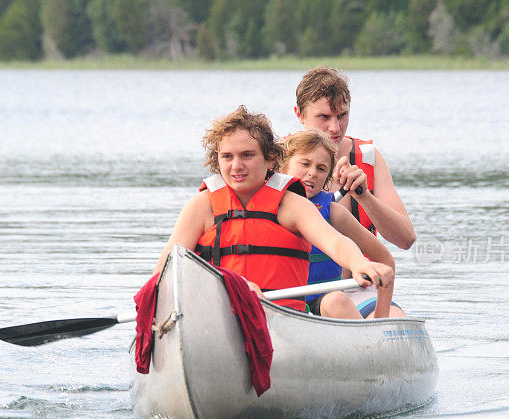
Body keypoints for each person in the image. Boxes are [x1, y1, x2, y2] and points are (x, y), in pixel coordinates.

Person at [153, 105, 393, 313]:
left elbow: (334, 242)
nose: (236, 166)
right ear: (217, 160)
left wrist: (359, 263)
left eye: (247, 155)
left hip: (281, 315)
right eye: (227, 157)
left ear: (270, 159)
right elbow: (167, 268)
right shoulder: (202, 205)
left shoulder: (292, 204)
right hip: (220, 313)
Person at [280, 129, 406, 319]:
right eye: (305, 164)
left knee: (336, 300)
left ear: (328, 178)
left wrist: (381, 314)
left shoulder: (335, 213)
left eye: (321, 169)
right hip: (276, 299)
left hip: (322, 301)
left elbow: (385, 260)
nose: (312, 173)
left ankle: (369, 341)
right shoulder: (266, 207)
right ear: (283, 168)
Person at [294, 66, 416, 250]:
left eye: (342, 115)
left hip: (358, 278)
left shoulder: (367, 157)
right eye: (324, 117)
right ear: (299, 114)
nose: (335, 128)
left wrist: (363, 196)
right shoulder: (279, 157)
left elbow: (406, 239)